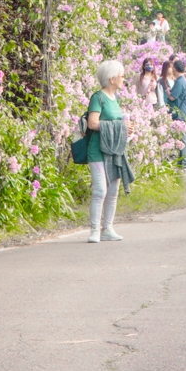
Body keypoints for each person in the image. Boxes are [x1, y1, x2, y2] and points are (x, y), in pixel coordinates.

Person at [84, 59, 135, 243]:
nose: (123, 79)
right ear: (112, 78)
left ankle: (108, 228)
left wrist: (125, 128)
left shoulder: (116, 98)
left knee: (113, 191)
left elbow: (117, 123)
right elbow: (92, 123)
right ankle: (95, 230)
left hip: (114, 150)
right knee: (100, 190)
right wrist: (119, 126)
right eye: (121, 76)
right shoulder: (98, 97)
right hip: (97, 151)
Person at [167, 58, 186, 169]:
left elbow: (173, 97)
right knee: (184, 137)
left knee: (182, 137)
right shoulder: (184, 80)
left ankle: (184, 162)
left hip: (181, 112)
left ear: (175, 69)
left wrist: (168, 91)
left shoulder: (180, 81)